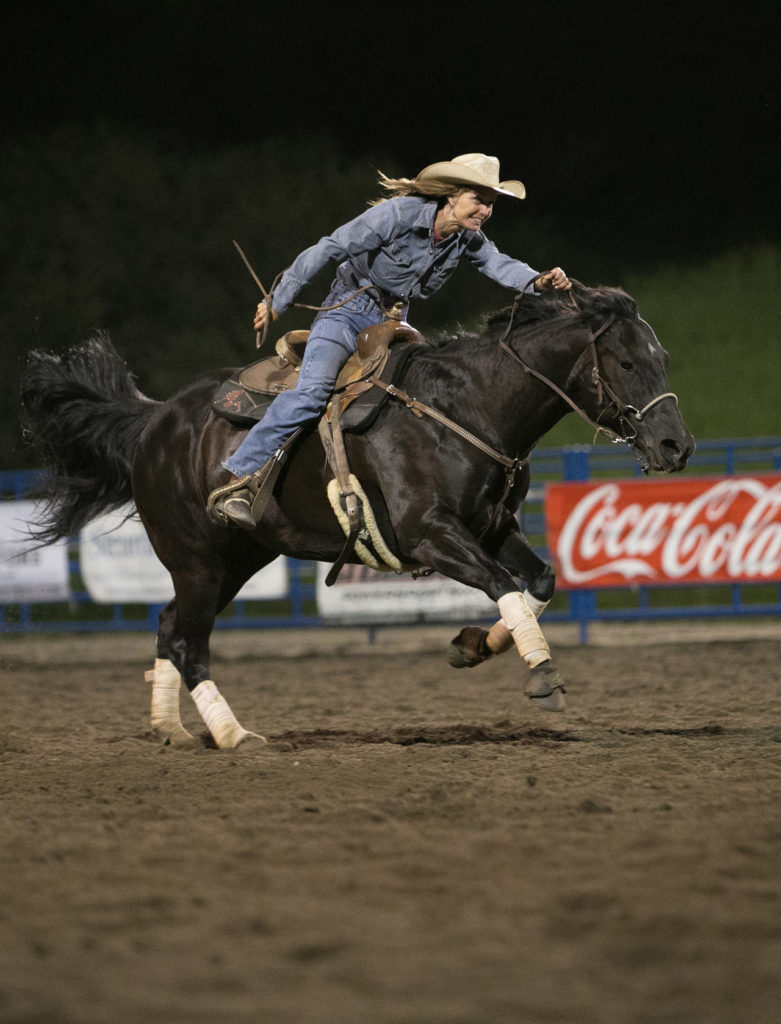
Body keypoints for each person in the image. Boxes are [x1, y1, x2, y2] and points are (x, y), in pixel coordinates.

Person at [209, 152, 571, 528]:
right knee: (313, 392)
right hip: (345, 314)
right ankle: (239, 478)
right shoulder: (397, 214)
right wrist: (276, 301)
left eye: (491, 204)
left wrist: (537, 281)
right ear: (451, 196)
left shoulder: (467, 239)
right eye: (478, 200)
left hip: (394, 321)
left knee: (418, 398)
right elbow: (328, 247)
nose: (484, 211)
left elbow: (498, 263)